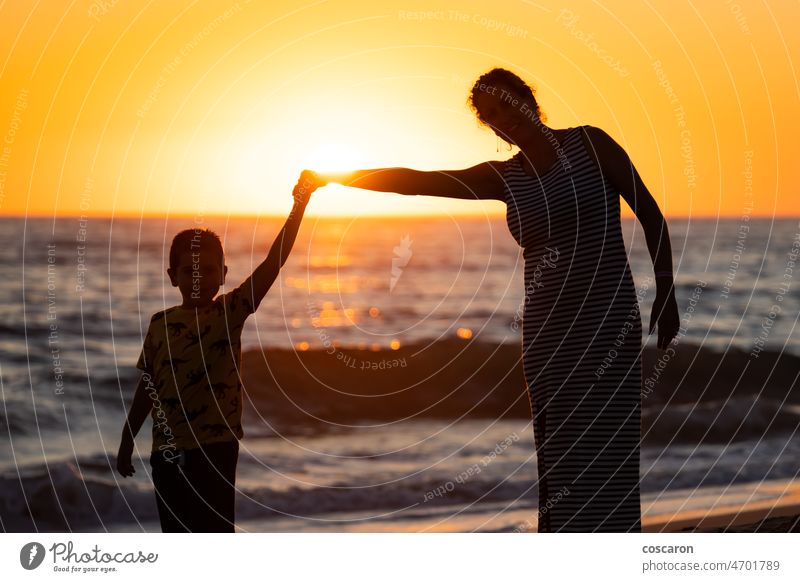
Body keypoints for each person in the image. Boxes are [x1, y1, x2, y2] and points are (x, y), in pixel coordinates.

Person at [301, 67, 680, 532]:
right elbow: (417, 180)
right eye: (490, 114)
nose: (503, 117)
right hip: (547, 338)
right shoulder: (503, 178)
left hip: (607, 322)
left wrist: (667, 291)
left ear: (528, 97)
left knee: (609, 448)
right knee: (560, 457)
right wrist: (337, 176)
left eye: (506, 103)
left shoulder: (590, 145)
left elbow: (650, 213)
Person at [115, 176, 315, 532]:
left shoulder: (230, 311)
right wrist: (127, 439)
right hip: (167, 450)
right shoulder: (160, 324)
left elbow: (274, 261)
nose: (198, 279)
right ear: (172, 276)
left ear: (223, 275)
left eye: (207, 270)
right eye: (188, 271)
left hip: (216, 446)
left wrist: (300, 204)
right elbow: (148, 387)